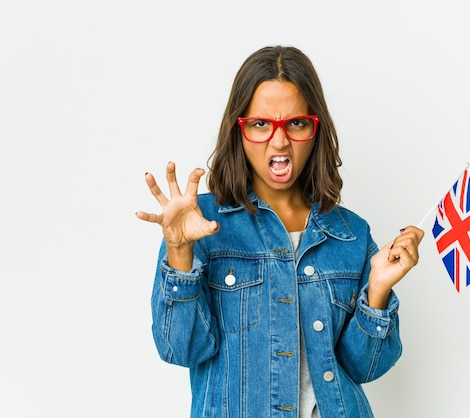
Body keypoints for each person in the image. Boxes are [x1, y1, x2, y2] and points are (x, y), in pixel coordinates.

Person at [136, 45, 425, 418]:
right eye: (260, 124)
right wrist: (178, 252)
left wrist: (378, 291)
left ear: (314, 128)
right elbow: (180, 349)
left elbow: (365, 368)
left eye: (296, 123)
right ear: (238, 130)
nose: (279, 141)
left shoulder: (349, 233)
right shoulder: (199, 223)